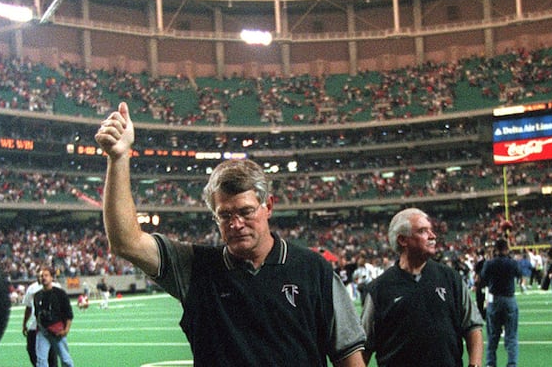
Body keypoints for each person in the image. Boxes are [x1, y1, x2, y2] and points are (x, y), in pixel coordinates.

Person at [94, 102, 367, 367]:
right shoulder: (195, 267)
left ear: (268, 206)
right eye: (225, 215)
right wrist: (118, 158)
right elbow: (126, 242)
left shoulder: (314, 269)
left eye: (246, 211)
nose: (236, 223)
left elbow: (349, 357)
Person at [360, 208, 484, 367]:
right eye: (422, 231)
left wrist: (474, 364)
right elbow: (364, 347)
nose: (432, 236)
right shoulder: (379, 289)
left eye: (431, 230)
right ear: (403, 240)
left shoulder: (450, 278)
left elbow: (472, 326)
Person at [480, 238, 521, 367]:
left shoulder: (489, 263)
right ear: (506, 248)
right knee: (511, 336)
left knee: (492, 336)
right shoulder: (512, 263)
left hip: (495, 299)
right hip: (509, 298)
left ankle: (490, 364)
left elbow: (483, 278)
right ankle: (512, 364)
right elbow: (519, 274)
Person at [33, 267, 75, 367]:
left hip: (57, 331)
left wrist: (66, 330)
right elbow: (37, 314)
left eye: (46, 275)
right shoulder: (37, 295)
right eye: (41, 276)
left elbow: (69, 313)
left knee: (65, 359)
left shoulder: (60, 293)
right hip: (43, 332)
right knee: (41, 361)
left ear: (52, 278)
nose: (43, 278)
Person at [22, 277, 58, 367]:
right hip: (34, 327)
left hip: (49, 328)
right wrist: (24, 324)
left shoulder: (56, 287)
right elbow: (28, 307)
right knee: (33, 354)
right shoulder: (32, 288)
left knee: (51, 357)